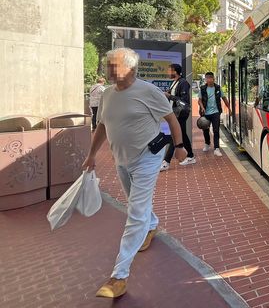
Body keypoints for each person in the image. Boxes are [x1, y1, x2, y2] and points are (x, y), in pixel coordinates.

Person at [81, 48, 187, 298]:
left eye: (112, 65)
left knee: (135, 211)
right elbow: (102, 127)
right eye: (107, 65)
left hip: (148, 158)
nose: (106, 70)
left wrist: (180, 146)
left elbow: (172, 120)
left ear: (129, 68)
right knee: (134, 203)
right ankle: (152, 226)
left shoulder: (148, 91)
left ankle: (119, 276)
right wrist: (91, 154)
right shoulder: (107, 94)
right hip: (122, 160)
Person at [161, 63, 195, 170]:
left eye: (169, 70)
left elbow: (183, 100)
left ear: (175, 72)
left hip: (181, 113)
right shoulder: (175, 82)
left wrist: (169, 96)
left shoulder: (183, 83)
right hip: (175, 112)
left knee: (174, 135)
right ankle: (190, 156)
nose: (168, 73)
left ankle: (166, 162)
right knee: (182, 134)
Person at [198, 72, 224, 156]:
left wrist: (229, 108)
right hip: (205, 112)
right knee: (205, 129)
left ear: (213, 79)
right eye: (207, 78)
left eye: (210, 78)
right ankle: (207, 144)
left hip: (216, 112)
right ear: (205, 79)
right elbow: (199, 100)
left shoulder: (218, 88)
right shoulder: (202, 88)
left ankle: (216, 148)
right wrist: (202, 107)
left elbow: (224, 98)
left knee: (216, 130)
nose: (208, 80)